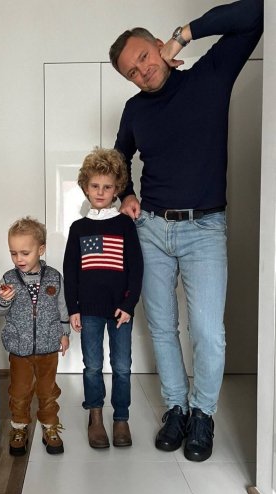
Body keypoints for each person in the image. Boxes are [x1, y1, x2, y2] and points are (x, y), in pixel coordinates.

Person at [109, 0, 263, 462]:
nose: (142, 71)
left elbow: (257, 14)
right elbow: (118, 158)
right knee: (162, 328)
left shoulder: (209, 77)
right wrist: (125, 194)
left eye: (143, 57)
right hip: (152, 230)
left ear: (159, 46)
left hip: (205, 229)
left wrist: (186, 34)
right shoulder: (134, 110)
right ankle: (176, 408)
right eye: (132, 72)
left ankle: (203, 414)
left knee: (207, 333)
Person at [63, 148, 143, 449]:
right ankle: (95, 416)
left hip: (120, 311)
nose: (100, 192)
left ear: (117, 189)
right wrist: (73, 308)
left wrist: (129, 304)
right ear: (85, 187)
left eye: (107, 187)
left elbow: (136, 268)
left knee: (122, 366)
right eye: (95, 186)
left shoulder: (125, 225)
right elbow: (71, 272)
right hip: (89, 310)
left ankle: (121, 418)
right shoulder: (78, 228)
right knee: (93, 365)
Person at [0, 217, 70, 456]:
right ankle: (19, 428)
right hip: (20, 349)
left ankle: (50, 426)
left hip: (48, 347)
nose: (19, 259)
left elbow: (62, 307)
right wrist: (3, 300)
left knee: (48, 391)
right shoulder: (9, 279)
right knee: (19, 392)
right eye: (13, 253)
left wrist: (64, 333)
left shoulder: (54, 277)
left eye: (25, 253)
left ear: (41, 249)